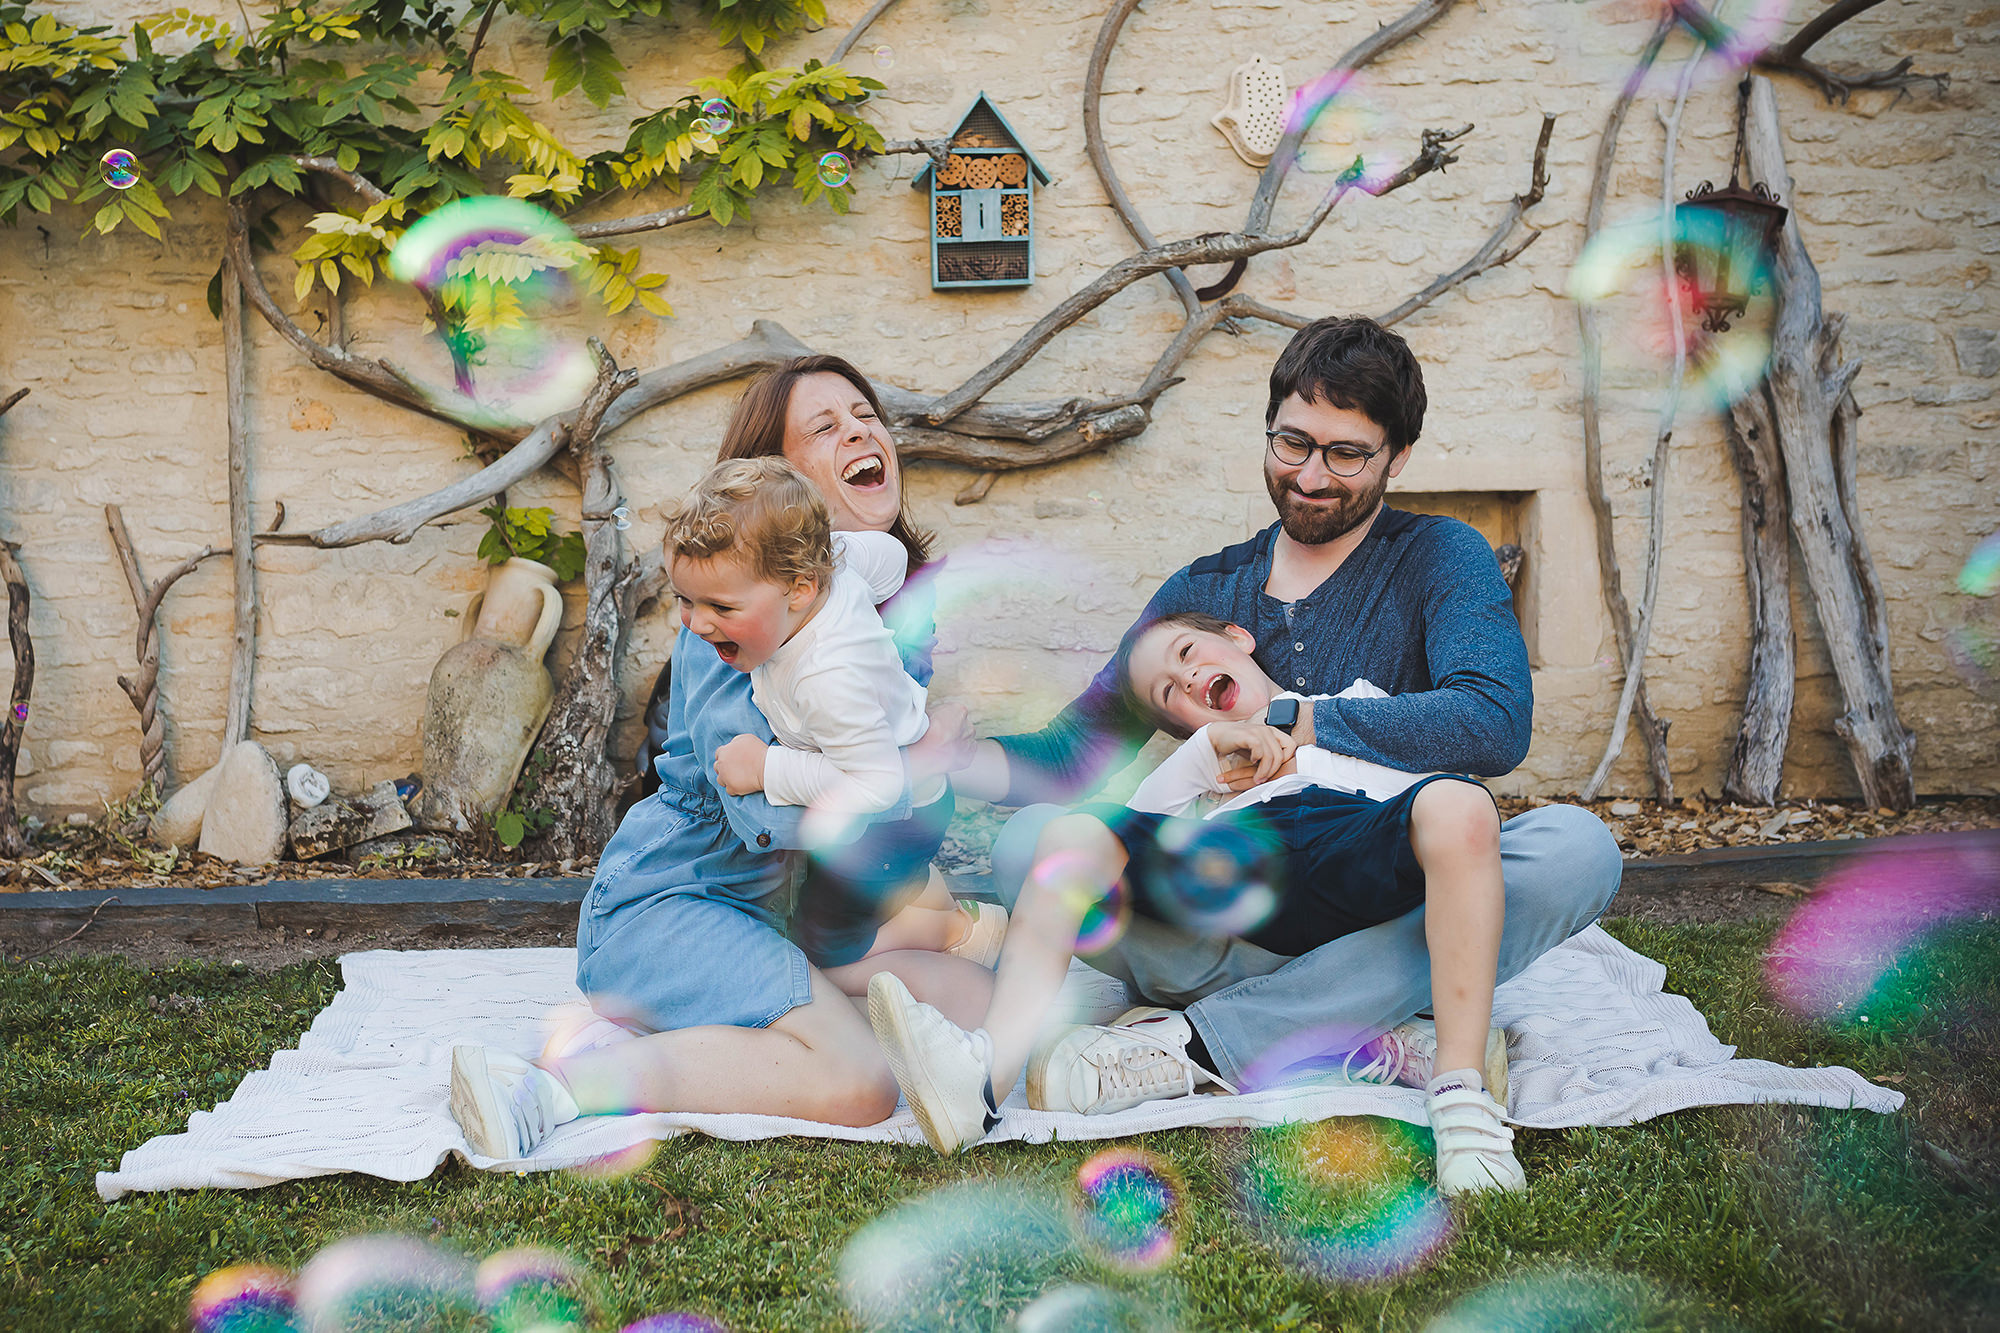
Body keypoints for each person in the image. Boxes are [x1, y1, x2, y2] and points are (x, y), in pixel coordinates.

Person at [946, 316, 1624, 1123]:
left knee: (1577, 850)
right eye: (1292, 443)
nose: (1310, 475)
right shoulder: (1206, 595)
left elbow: (1495, 720)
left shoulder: (1440, 556)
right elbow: (1076, 750)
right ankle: (1367, 1023)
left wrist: (1297, 719)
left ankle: (1196, 1045)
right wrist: (952, 758)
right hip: (1221, 931)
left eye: (1345, 453)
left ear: (1397, 458)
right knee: (1033, 843)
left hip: (1383, 901)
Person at [448, 355, 993, 1162]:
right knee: (859, 1083)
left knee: (972, 997)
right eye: (825, 426)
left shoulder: (862, 607)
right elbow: (762, 808)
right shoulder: (741, 629)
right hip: (667, 909)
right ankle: (551, 1086)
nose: (861, 430)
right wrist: (912, 776)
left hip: (767, 915)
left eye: (864, 414)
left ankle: (757, 1011)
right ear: (775, 480)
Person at [868, 608, 1526, 1195]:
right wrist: (1201, 759)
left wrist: (1307, 733)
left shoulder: (1353, 705)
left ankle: (1462, 1100)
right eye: (1168, 694)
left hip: (1350, 838)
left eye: (1188, 655)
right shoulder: (1199, 771)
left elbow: (1455, 772)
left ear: (1238, 638)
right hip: (1235, 865)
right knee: (1070, 833)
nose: (1186, 682)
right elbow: (1122, 846)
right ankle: (981, 1080)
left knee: (1464, 805)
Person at [663, 454, 1005, 970]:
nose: (697, 623)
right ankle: (916, 896)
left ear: (799, 589)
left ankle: (963, 933)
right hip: (895, 802)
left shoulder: (827, 677)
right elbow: (889, 558)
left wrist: (765, 769)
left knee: (822, 943)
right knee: (858, 889)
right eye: (685, 600)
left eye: (722, 608)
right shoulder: (830, 575)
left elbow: (876, 785)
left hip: (892, 820)